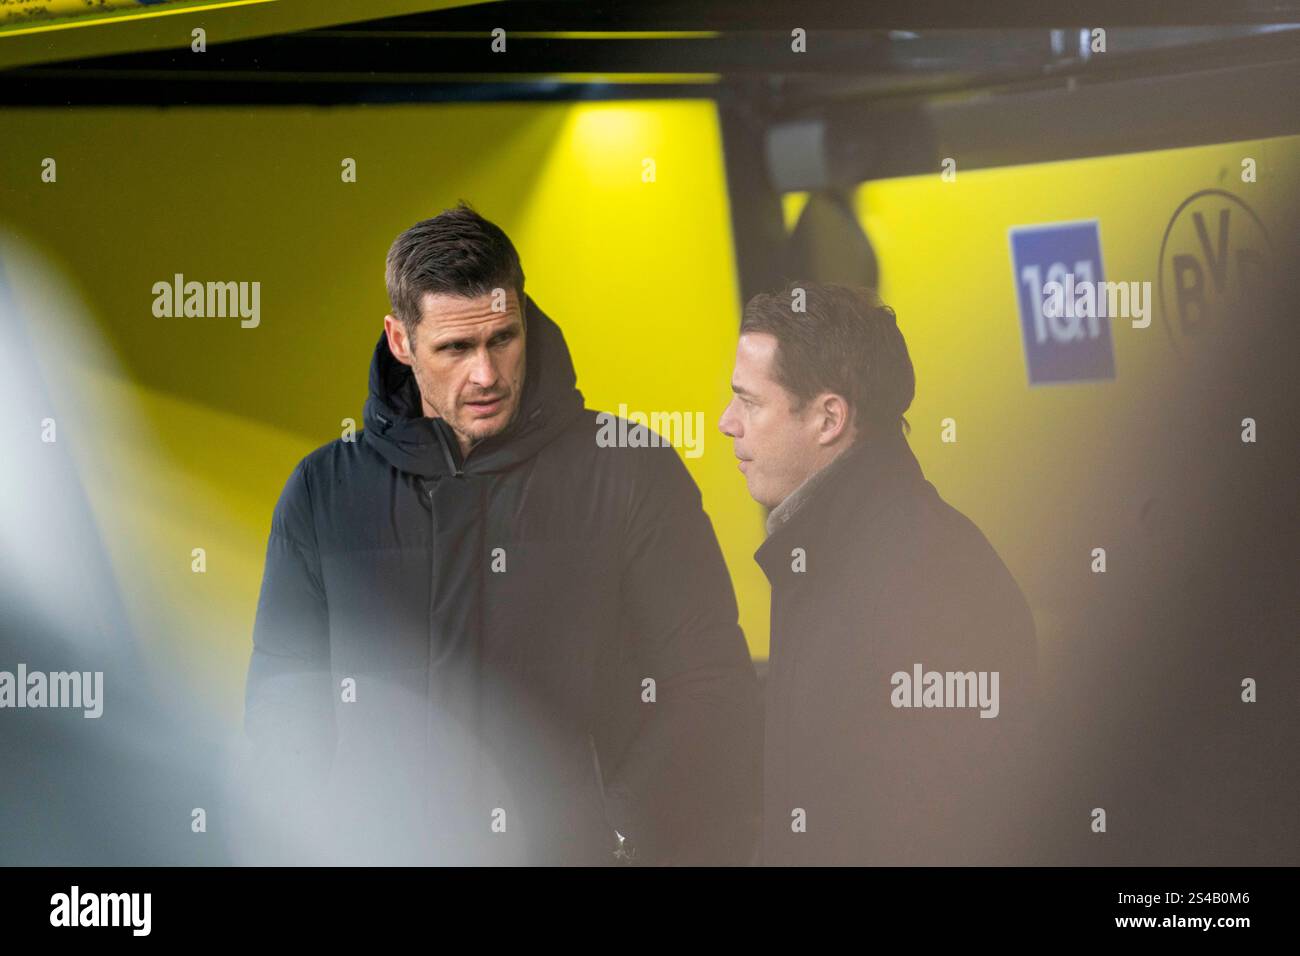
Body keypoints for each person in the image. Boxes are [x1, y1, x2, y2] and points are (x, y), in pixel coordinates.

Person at [243, 202, 760, 865]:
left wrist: (617, 833)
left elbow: (710, 684)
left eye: (502, 339)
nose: (485, 374)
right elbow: (285, 709)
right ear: (400, 341)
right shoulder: (322, 492)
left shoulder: (630, 468)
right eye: (455, 348)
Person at [718, 280, 1040, 865]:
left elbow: (942, 830)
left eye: (750, 401)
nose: (725, 423)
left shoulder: (933, 578)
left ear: (828, 418)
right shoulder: (821, 552)